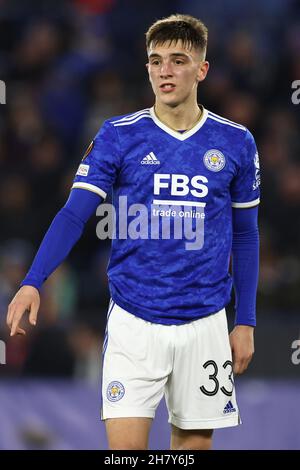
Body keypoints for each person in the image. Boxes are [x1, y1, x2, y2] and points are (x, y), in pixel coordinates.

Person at [6, 14, 260, 450]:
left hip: (205, 322)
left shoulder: (235, 141)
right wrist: (33, 280)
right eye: (155, 60)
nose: (165, 70)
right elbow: (73, 215)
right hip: (133, 320)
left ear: (201, 70)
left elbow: (246, 236)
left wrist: (247, 321)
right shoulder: (119, 135)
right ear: (146, 67)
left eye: (178, 60)